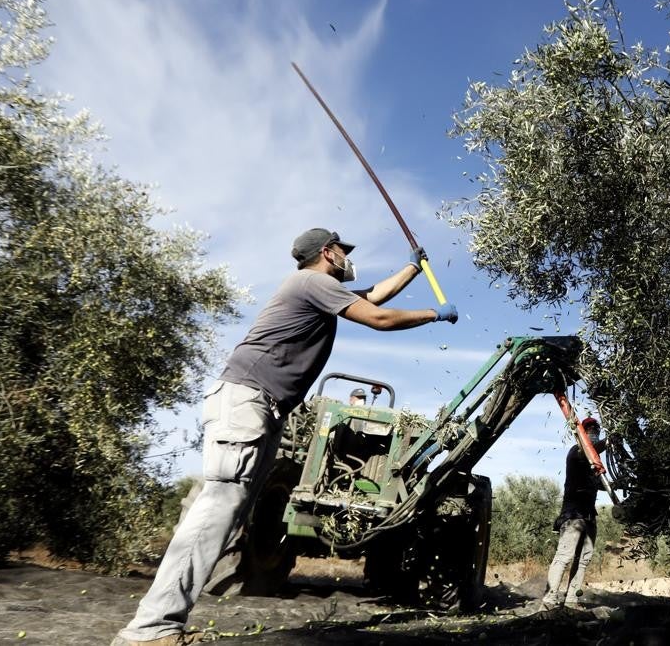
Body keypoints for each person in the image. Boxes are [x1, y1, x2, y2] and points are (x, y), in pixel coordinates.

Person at [113, 228, 457, 646]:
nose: (348, 259)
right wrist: (433, 315)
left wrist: (411, 267)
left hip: (262, 406)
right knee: (217, 508)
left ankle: (162, 624)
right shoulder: (312, 283)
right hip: (247, 401)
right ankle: (150, 630)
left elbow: (375, 298)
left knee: (230, 512)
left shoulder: (319, 289)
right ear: (328, 253)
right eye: (343, 251)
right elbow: (377, 318)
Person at [542, 417, 606, 610]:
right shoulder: (576, 453)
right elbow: (588, 450)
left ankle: (571, 601)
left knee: (583, 560)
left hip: (588, 517)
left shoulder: (593, 464)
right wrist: (609, 442)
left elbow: (601, 484)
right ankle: (549, 600)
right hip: (573, 517)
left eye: (596, 428)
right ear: (582, 433)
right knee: (564, 556)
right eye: (590, 429)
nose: (594, 431)